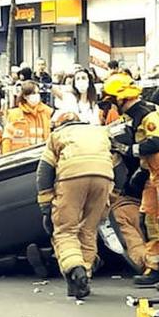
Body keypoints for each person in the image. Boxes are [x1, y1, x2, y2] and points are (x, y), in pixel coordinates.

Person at [102, 73, 159, 292]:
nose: (113, 107)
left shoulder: (147, 114)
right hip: (154, 173)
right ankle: (157, 266)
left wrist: (126, 150)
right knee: (149, 220)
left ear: (122, 99)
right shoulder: (135, 115)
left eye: (113, 102)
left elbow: (155, 143)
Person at [36, 111, 126, 299]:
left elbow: (44, 171)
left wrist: (46, 204)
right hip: (104, 177)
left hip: (72, 177)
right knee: (89, 230)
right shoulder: (101, 132)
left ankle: (76, 269)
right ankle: (83, 280)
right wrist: (113, 195)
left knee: (65, 230)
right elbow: (120, 169)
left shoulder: (57, 136)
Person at [1, 81, 52, 154]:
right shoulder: (15, 114)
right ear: (24, 96)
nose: (36, 96)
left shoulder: (46, 111)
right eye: (33, 93)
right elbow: (7, 139)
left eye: (38, 93)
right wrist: (5, 158)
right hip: (19, 159)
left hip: (40, 157)